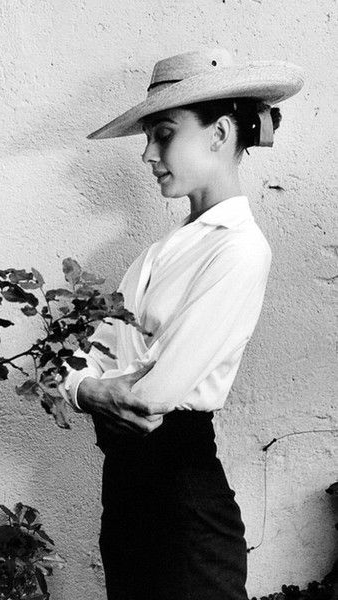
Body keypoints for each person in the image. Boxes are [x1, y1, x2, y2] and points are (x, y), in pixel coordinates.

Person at [58, 46, 304, 600]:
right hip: (125, 496)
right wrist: (91, 386)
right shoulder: (154, 256)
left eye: (163, 133)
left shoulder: (240, 251)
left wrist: (84, 386)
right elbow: (75, 358)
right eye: (148, 137)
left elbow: (151, 397)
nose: (148, 153)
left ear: (219, 134)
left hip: (184, 500)